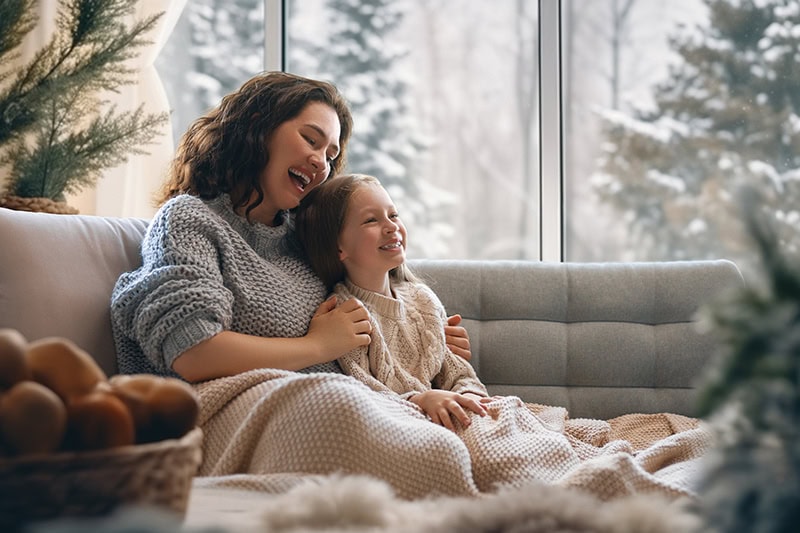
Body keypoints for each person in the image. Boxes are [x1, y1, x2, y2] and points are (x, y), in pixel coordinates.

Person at [109, 71, 485, 500]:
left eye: (331, 153)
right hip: (223, 410)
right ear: (258, 128)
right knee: (365, 420)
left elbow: (370, 304)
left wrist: (427, 339)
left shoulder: (302, 238)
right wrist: (316, 347)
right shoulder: (188, 220)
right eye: (311, 139)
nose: (321, 161)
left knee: (455, 433)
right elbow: (193, 351)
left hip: (337, 398)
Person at [295, 173, 495, 431]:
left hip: (451, 419)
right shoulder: (347, 315)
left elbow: (459, 373)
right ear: (338, 248)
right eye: (371, 220)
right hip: (399, 428)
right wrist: (420, 400)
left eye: (394, 215)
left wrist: (469, 398)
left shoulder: (423, 300)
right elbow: (364, 393)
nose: (391, 226)